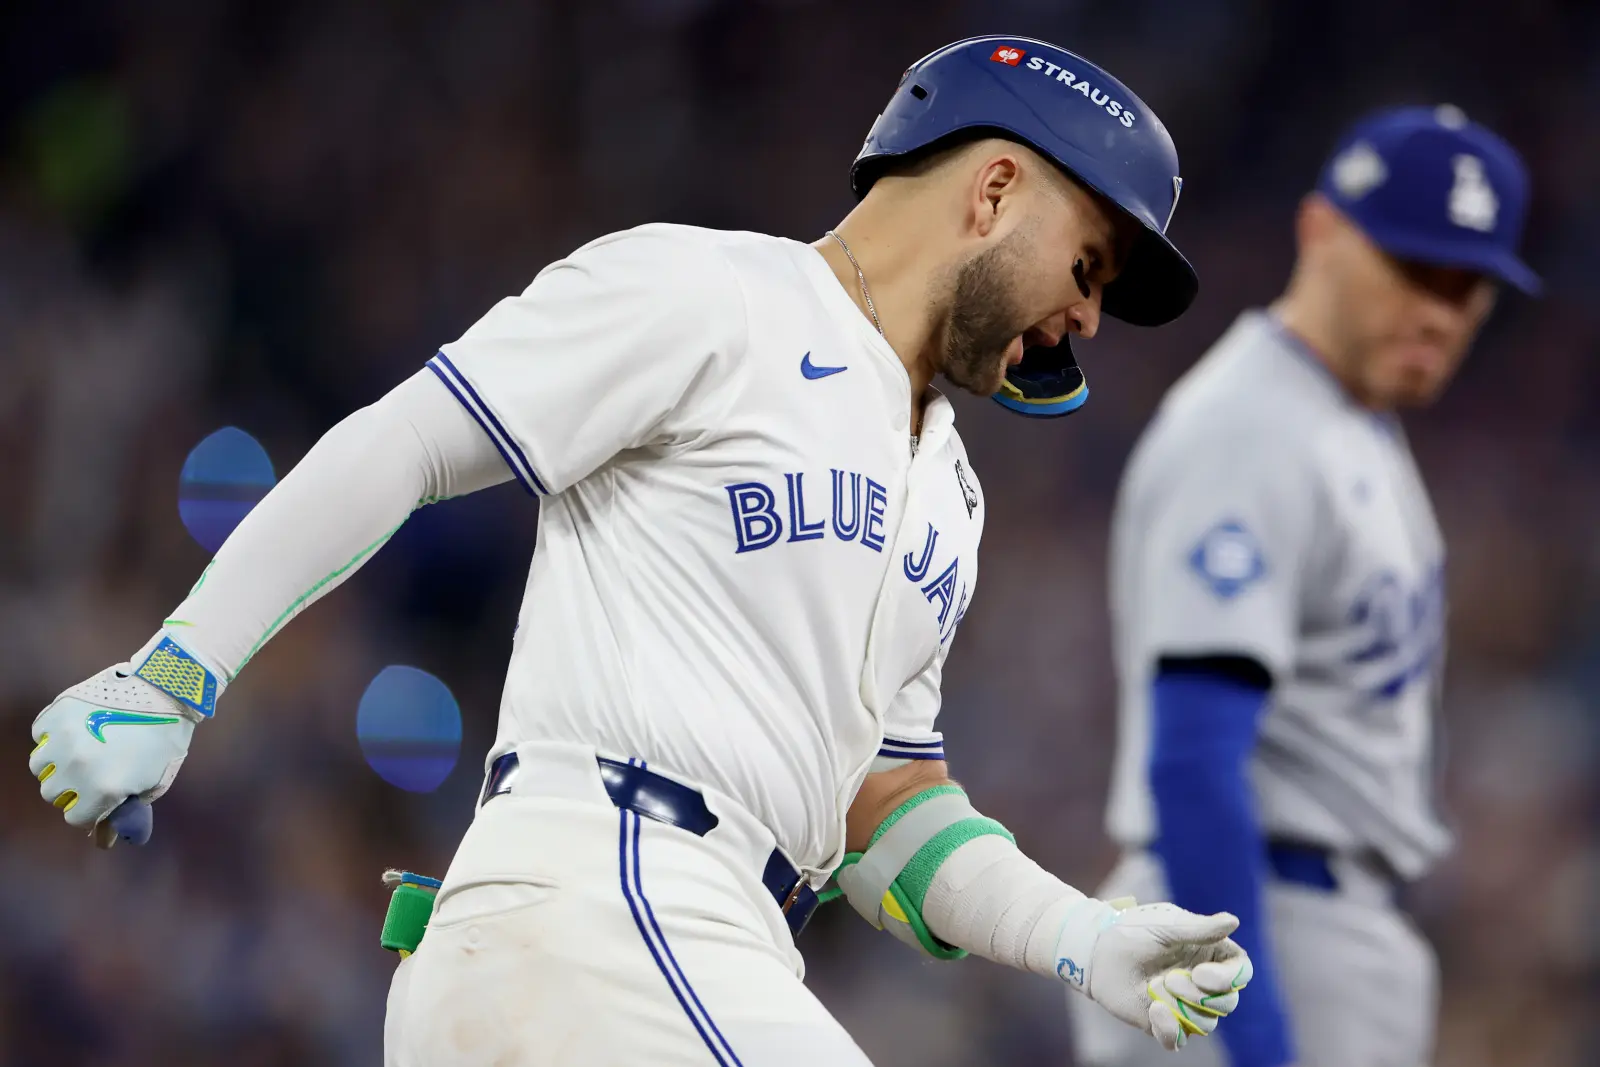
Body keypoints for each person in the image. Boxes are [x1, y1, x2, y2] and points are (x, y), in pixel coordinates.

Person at [30, 36, 1256, 1066]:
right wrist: (176, 670)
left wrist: (1076, 935)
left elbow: (885, 812)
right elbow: (406, 442)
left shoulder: (953, 493)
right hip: (602, 900)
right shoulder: (711, 293)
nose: (1089, 316)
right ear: (990, 193)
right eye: (1087, 262)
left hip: (681, 944)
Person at [1069, 105, 1541, 1067]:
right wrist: (1255, 1036)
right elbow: (1194, 757)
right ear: (1320, 232)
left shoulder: (1347, 420)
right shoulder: (1256, 426)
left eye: (1469, 285)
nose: (1439, 309)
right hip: (1250, 929)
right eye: (1414, 267)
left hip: (1311, 928)